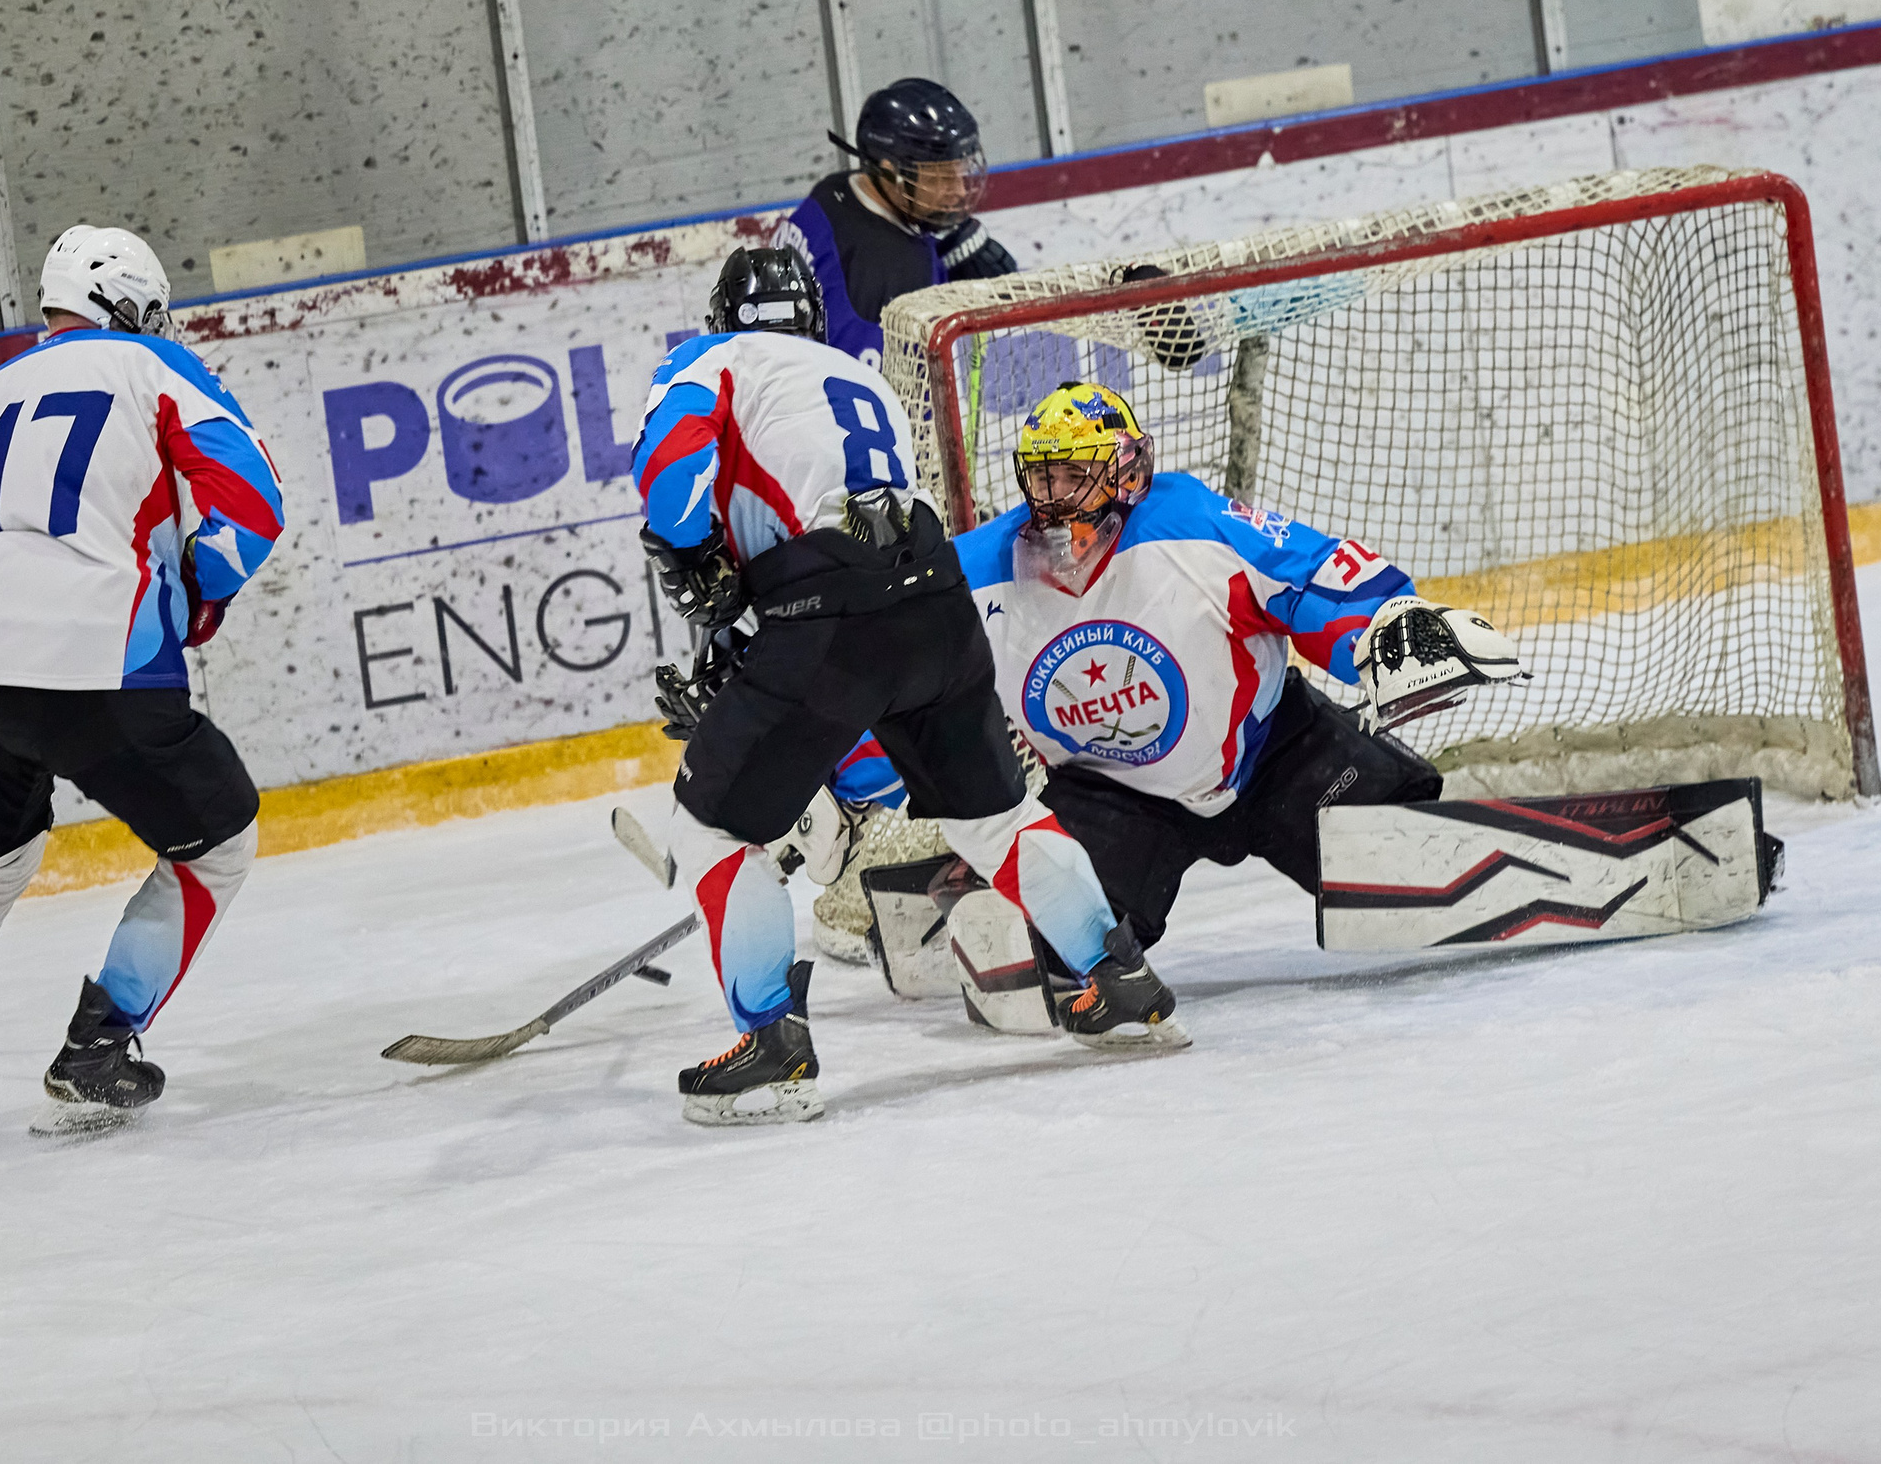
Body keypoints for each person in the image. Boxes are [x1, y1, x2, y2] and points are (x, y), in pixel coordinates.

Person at [632, 247, 1184, 1127]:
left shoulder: (709, 361)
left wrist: (694, 562)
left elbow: (673, 479)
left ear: (720, 315)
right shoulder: (855, 374)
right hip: (934, 601)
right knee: (995, 815)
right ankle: (1118, 979)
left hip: (830, 618)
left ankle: (771, 1046)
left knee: (710, 825)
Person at [0, 225, 286, 1146]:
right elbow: (252, 500)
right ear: (125, 305)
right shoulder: (152, 368)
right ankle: (99, 1048)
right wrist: (199, 599)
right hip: (100, 671)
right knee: (218, 839)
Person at [938, 381, 1526, 953]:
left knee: (1411, 862)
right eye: (1045, 477)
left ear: (1124, 473)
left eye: (1076, 475)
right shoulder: (977, 573)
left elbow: (1309, 571)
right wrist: (859, 772)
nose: (1058, 496)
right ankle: (984, 884)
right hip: (1111, 794)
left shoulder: (1191, 523)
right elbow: (908, 677)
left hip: (1274, 755)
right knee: (1064, 950)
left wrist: (1382, 627)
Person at [778, 77, 1019, 371]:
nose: (957, 190)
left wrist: (941, 253)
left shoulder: (834, 192)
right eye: (939, 178)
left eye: (960, 171)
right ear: (890, 172)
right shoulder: (897, 270)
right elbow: (896, 392)